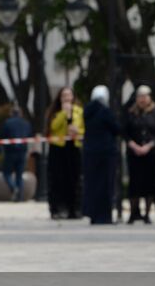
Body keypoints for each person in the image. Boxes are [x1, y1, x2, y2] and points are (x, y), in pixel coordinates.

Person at [124, 85, 155, 225]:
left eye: (145, 96)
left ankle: (147, 214)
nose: (142, 99)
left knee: (151, 183)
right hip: (134, 153)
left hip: (152, 153)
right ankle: (133, 213)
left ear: (150, 97)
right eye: (140, 96)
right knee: (135, 184)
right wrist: (133, 145)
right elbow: (124, 131)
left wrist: (149, 146)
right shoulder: (131, 113)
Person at [82, 85, 120, 225]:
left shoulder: (87, 111)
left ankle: (93, 214)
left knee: (92, 184)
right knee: (105, 185)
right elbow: (116, 128)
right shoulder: (105, 112)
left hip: (90, 153)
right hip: (106, 153)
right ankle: (104, 216)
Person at [45, 88, 83, 219]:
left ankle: (75, 209)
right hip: (58, 149)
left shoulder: (79, 111)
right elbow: (53, 127)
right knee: (58, 180)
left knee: (74, 179)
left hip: (73, 147)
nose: (67, 98)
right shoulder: (55, 112)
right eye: (64, 95)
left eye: (69, 95)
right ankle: (58, 209)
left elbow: (84, 129)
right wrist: (64, 113)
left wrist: (77, 132)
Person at [0, 104, 34, 202]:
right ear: (21, 113)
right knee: (19, 175)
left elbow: (2, 136)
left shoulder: (8, 123)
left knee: (6, 173)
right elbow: (30, 136)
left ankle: (14, 188)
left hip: (10, 152)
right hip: (22, 151)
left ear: (11, 113)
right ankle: (20, 197)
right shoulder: (26, 123)